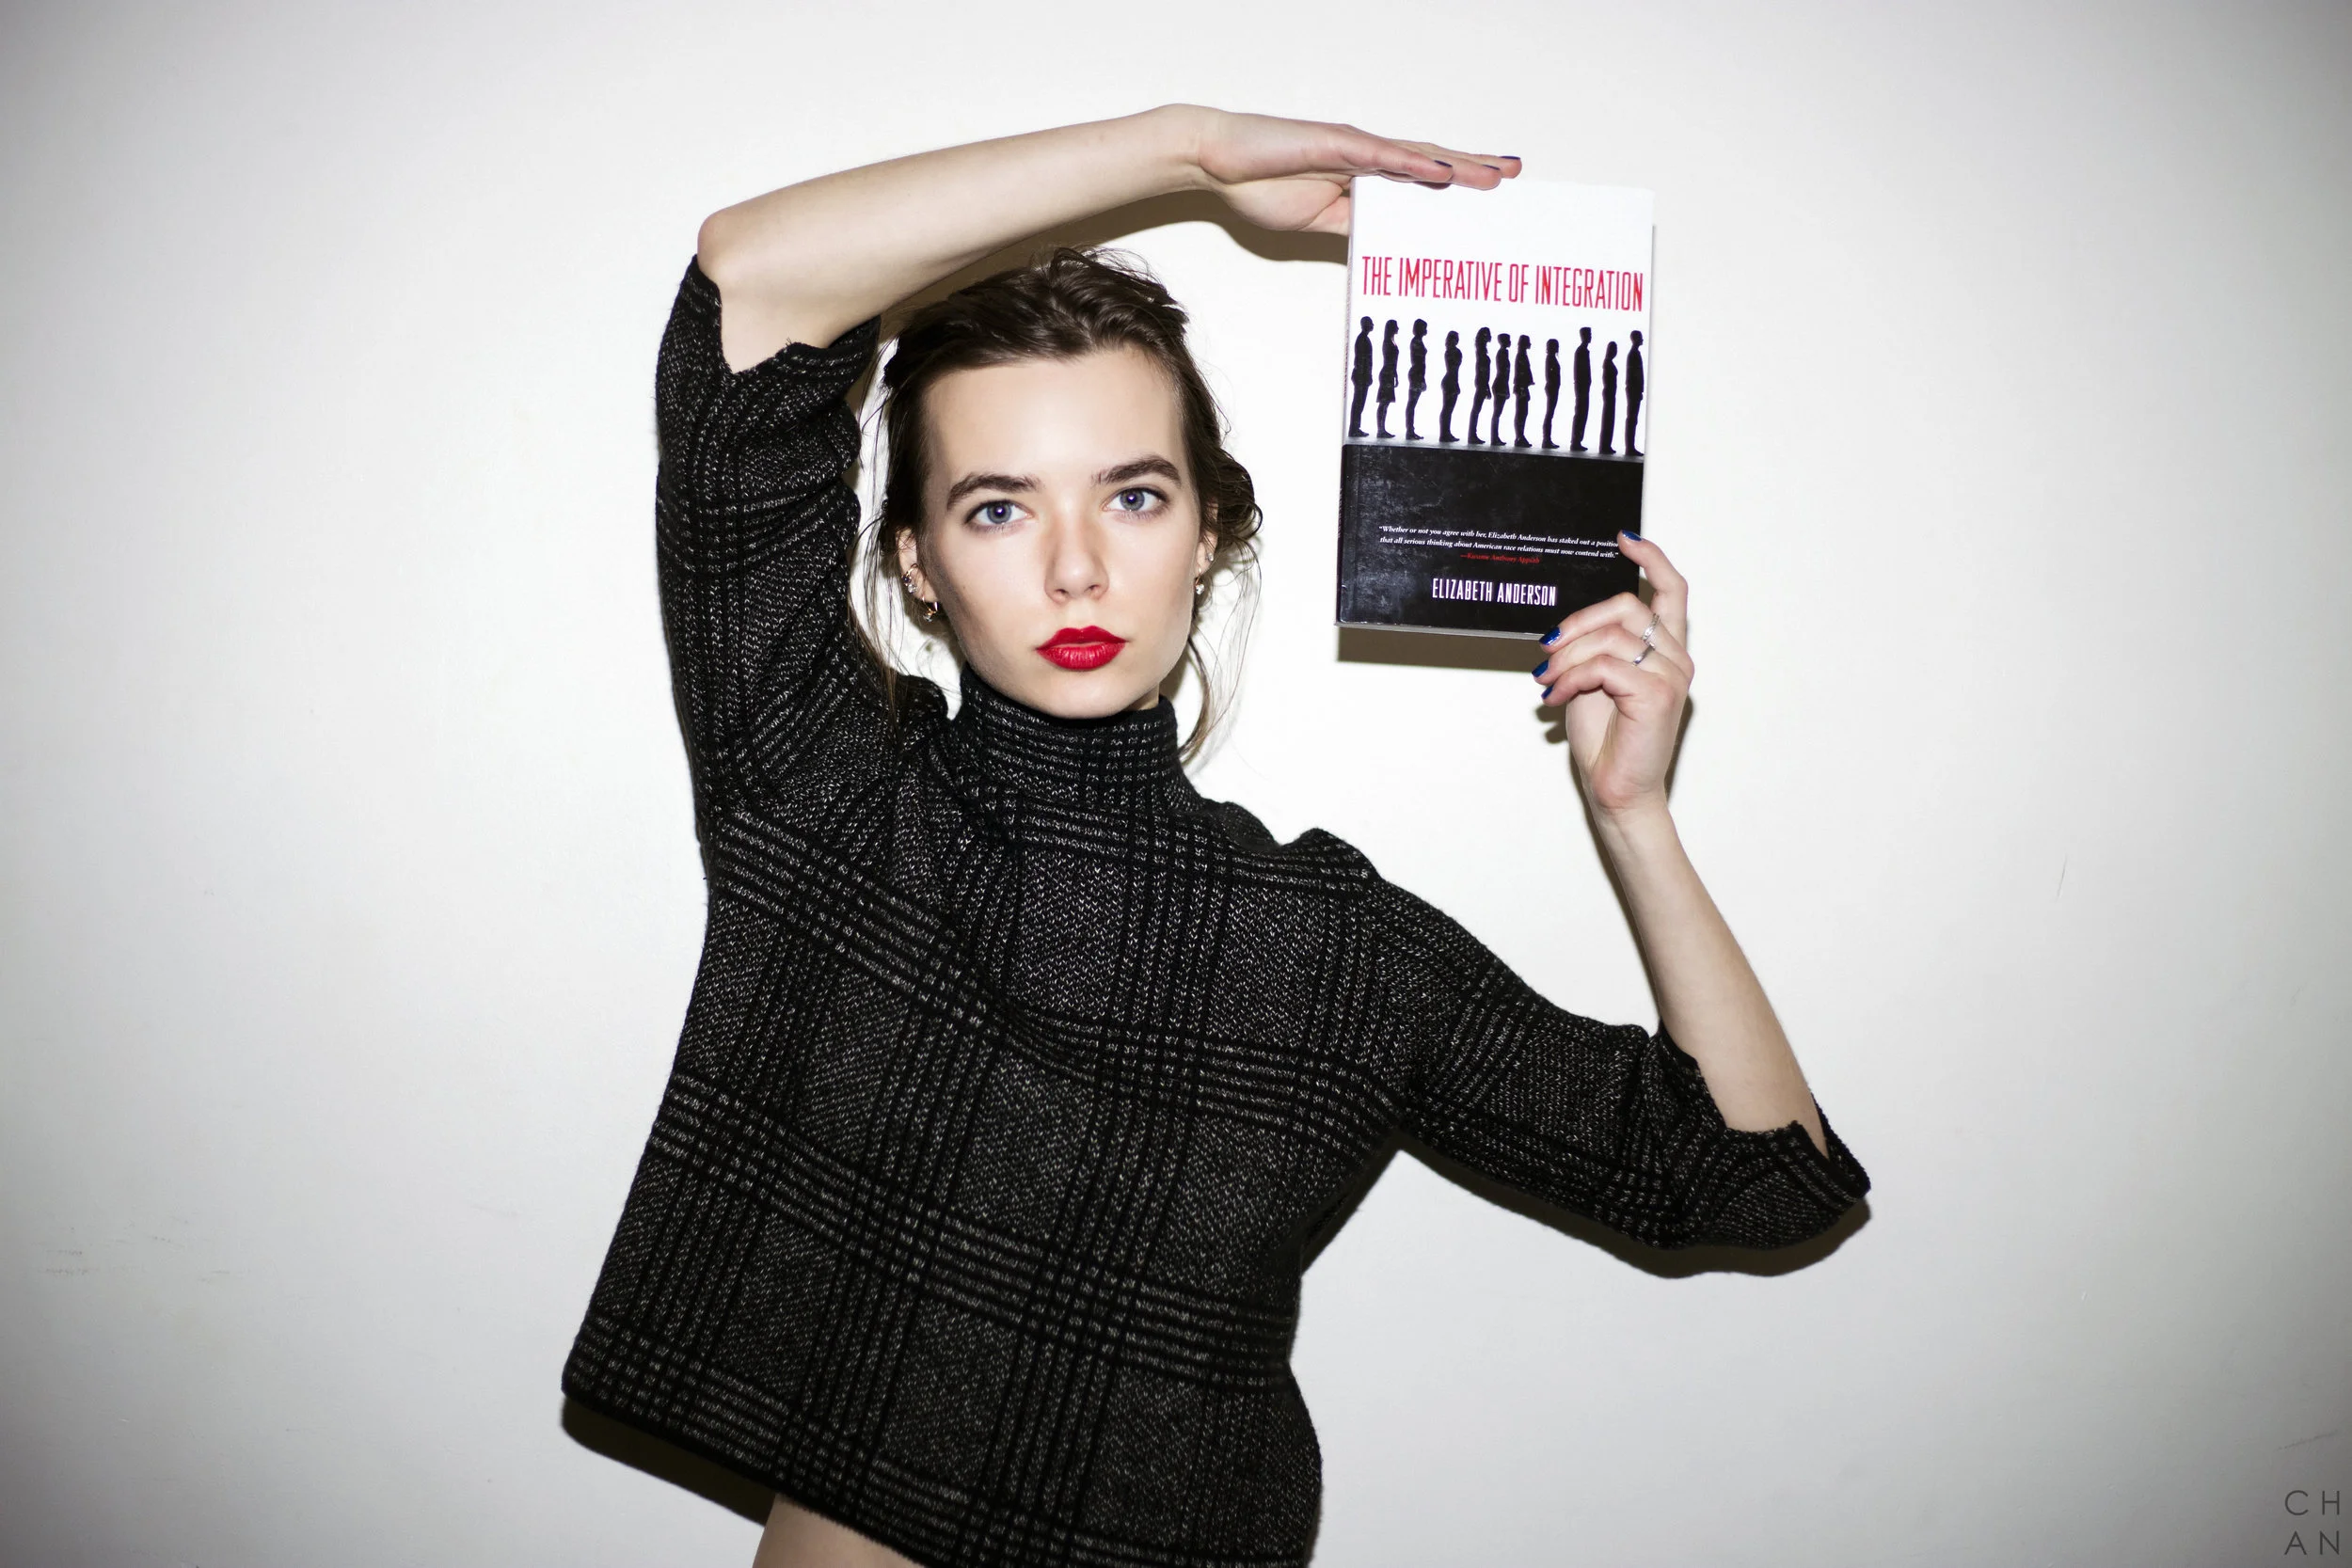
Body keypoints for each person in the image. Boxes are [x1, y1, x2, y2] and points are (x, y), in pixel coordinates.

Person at [562, 105, 1869, 1568]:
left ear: (1206, 532)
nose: (1076, 566)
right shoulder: (829, 790)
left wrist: (1636, 816)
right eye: (998, 508)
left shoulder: (1328, 947)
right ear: (917, 563)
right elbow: (750, 285)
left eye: (1132, 495)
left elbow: (1761, 1174)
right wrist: (1188, 155)